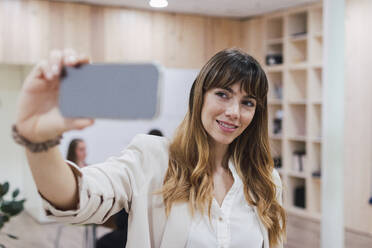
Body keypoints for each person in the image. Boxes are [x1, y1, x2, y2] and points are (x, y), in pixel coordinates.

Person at [13, 48, 286, 248]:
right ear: (199, 97)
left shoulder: (267, 182)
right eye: (223, 94)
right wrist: (39, 142)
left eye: (247, 102)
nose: (233, 112)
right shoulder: (153, 158)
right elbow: (78, 196)